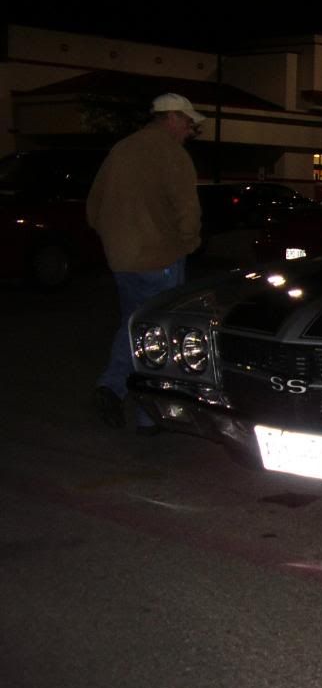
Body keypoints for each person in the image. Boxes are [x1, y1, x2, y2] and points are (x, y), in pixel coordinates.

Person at [87, 92, 204, 435]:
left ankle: (127, 400)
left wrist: (115, 238)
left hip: (123, 258)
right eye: (187, 123)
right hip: (160, 257)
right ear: (171, 118)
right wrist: (188, 242)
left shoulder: (121, 150)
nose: (189, 130)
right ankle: (138, 406)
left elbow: (94, 207)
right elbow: (188, 210)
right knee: (159, 335)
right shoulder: (172, 154)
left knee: (133, 324)